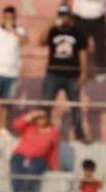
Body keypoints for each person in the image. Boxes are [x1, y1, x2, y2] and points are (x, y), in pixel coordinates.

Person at [40, 4, 90, 143]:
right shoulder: (53, 30)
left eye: (66, 15)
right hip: (53, 73)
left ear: (70, 16)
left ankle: (79, 133)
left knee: (75, 105)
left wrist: (84, 72)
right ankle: (44, 130)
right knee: (47, 102)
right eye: (61, 15)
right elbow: (41, 41)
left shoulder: (78, 32)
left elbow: (83, 53)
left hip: (72, 74)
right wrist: (51, 23)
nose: (64, 18)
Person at [0, 6, 27, 137]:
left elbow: (24, 41)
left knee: (6, 102)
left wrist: (13, 30)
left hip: (12, 73)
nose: (8, 20)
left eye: (11, 18)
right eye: (6, 18)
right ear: (3, 17)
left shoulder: (20, 30)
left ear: (15, 18)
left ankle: (2, 127)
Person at [10, 110, 60, 192]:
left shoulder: (53, 131)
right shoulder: (30, 127)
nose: (40, 120)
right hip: (20, 155)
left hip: (39, 158)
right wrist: (31, 115)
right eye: (38, 118)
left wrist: (54, 165)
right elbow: (16, 125)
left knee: (34, 167)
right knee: (16, 167)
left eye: (43, 118)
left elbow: (54, 150)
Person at [70, 0, 106, 82]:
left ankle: (102, 72)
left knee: (101, 44)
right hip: (80, 15)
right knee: (79, 45)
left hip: (99, 15)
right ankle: (76, 71)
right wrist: (65, 5)